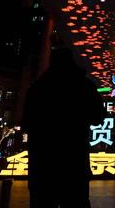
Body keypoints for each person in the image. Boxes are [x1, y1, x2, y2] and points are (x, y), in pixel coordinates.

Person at [22, 47, 106, 208]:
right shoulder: (84, 85)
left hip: (42, 169)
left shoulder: (37, 88)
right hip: (74, 166)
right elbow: (98, 117)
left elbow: (26, 123)